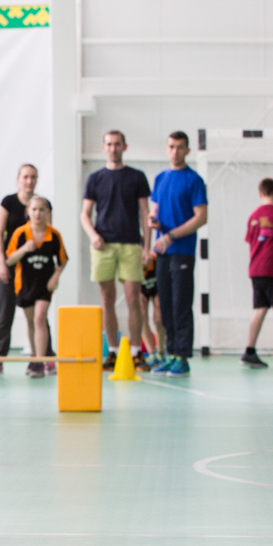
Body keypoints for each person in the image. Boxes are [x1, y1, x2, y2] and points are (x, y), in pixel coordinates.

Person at [80, 130, 151, 372]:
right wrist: (93, 235)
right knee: (106, 298)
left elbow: (145, 213)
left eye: (117, 144)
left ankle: (136, 352)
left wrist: (146, 247)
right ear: (103, 147)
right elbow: (85, 214)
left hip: (131, 244)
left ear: (124, 147)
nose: (113, 148)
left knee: (134, 298)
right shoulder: (95, 178)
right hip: (104, 245)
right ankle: (112, 351)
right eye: (109, 144)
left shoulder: (136, 177)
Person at [149, 131, 208, 378]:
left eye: (180, 147)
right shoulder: (160, 178)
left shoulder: (194, 180)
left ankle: (182, 357)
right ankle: (170, 353)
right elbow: (155, 210)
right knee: (164, 305)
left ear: (187, 151)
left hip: (182, 252)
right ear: (166, 149)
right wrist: (154, 222)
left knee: (180, 304)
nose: (175, 151)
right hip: (162, 252)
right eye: (171, 147)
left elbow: (201, 217)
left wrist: (171, 236)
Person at [0, 164, 55, 374]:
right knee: (5, 313)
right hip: (11, 264)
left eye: (33, 177)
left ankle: (46, 357)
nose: (29, 181)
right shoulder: (8, 202)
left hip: (35, 270)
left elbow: (49, 236)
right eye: (26, 176)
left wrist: (52, 272)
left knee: (39, 316)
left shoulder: (44, 204)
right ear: (18, 178)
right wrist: (2, 262)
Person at [4, 196, 68, 378]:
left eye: (41, 209)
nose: (38, 213)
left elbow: (63, 260)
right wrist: (24, 249)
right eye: (34, 209)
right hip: (25, 284)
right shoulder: (20, 234)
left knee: (40, 318)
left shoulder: (53, 234)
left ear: (47, 212)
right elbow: (9, 259)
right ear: (28, 212)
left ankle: (40, 361)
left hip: (44, 285)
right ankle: (35, 357)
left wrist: (56, 276)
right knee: (31, 321)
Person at [242, 178, 273, 368]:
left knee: (260, 308)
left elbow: (250, 240)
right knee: (261, 308)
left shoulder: (254, 216)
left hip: (256, 269)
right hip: (270, 269)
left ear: (260, 193)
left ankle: (249, 351)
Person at [139, 253, 165, 369]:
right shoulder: (131, 264)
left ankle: (161, 351)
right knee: (141, 317)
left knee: (158, 318)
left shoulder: (155, 259)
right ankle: (151, 353)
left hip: (156, 285)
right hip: (141, 288)